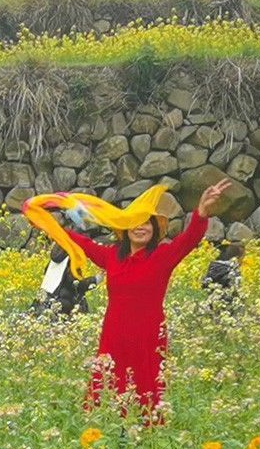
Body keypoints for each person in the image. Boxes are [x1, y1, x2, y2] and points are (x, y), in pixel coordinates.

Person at [24, 180, 232, 424]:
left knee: (147, 386)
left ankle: (148, 434)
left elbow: (188, 240)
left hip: (149, 334)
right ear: (124, 228)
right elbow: (82, 243)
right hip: (114, 333)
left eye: (146, 223)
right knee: (107, 383)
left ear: (155, 229)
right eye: (134, 222)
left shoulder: (163, 257)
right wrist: (47, 225)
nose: (140, 227)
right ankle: (105, 430)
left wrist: (202, 213)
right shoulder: (112, 257)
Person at [201, 241, 244, 313]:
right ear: (236, 257)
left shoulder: (213, 266)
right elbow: (238, 291)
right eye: (242, 257)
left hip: (210, 306)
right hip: (228, 309)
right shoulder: (233, 270)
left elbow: (204, 285)